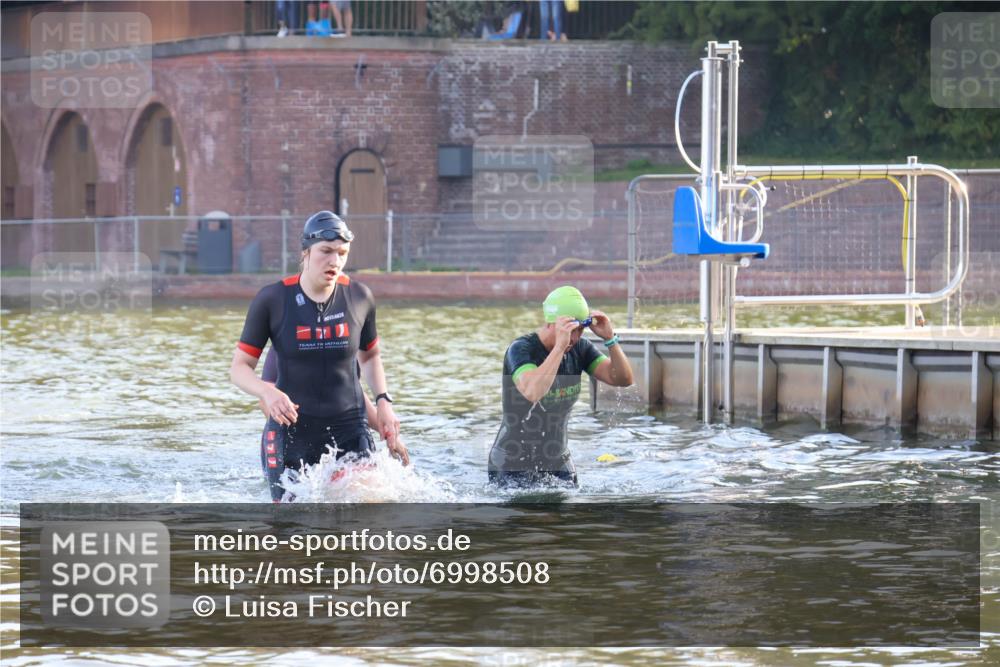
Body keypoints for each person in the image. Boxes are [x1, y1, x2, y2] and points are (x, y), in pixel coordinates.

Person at [230, 211, 405, 501]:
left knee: (370, 508)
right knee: (290, 535)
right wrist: (267, 393)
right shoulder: (273, 300)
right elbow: (239, 368)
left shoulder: (360, 297)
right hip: (293, 432)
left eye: (342, 253)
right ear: (306, 253)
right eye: (326, 251)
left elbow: (370, 358)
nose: (334, 261)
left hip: (349, 427)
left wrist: (383, 403)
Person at [489, 286, 633, 486]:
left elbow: (622, 379)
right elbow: (533, 391)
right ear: (551, 324)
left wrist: (610, 339)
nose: (574, 337)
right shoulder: (521, 349)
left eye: (580, 330)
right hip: (511, 464)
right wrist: (559, 348)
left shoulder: (581, 349)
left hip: (558, 462)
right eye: (570, 329)